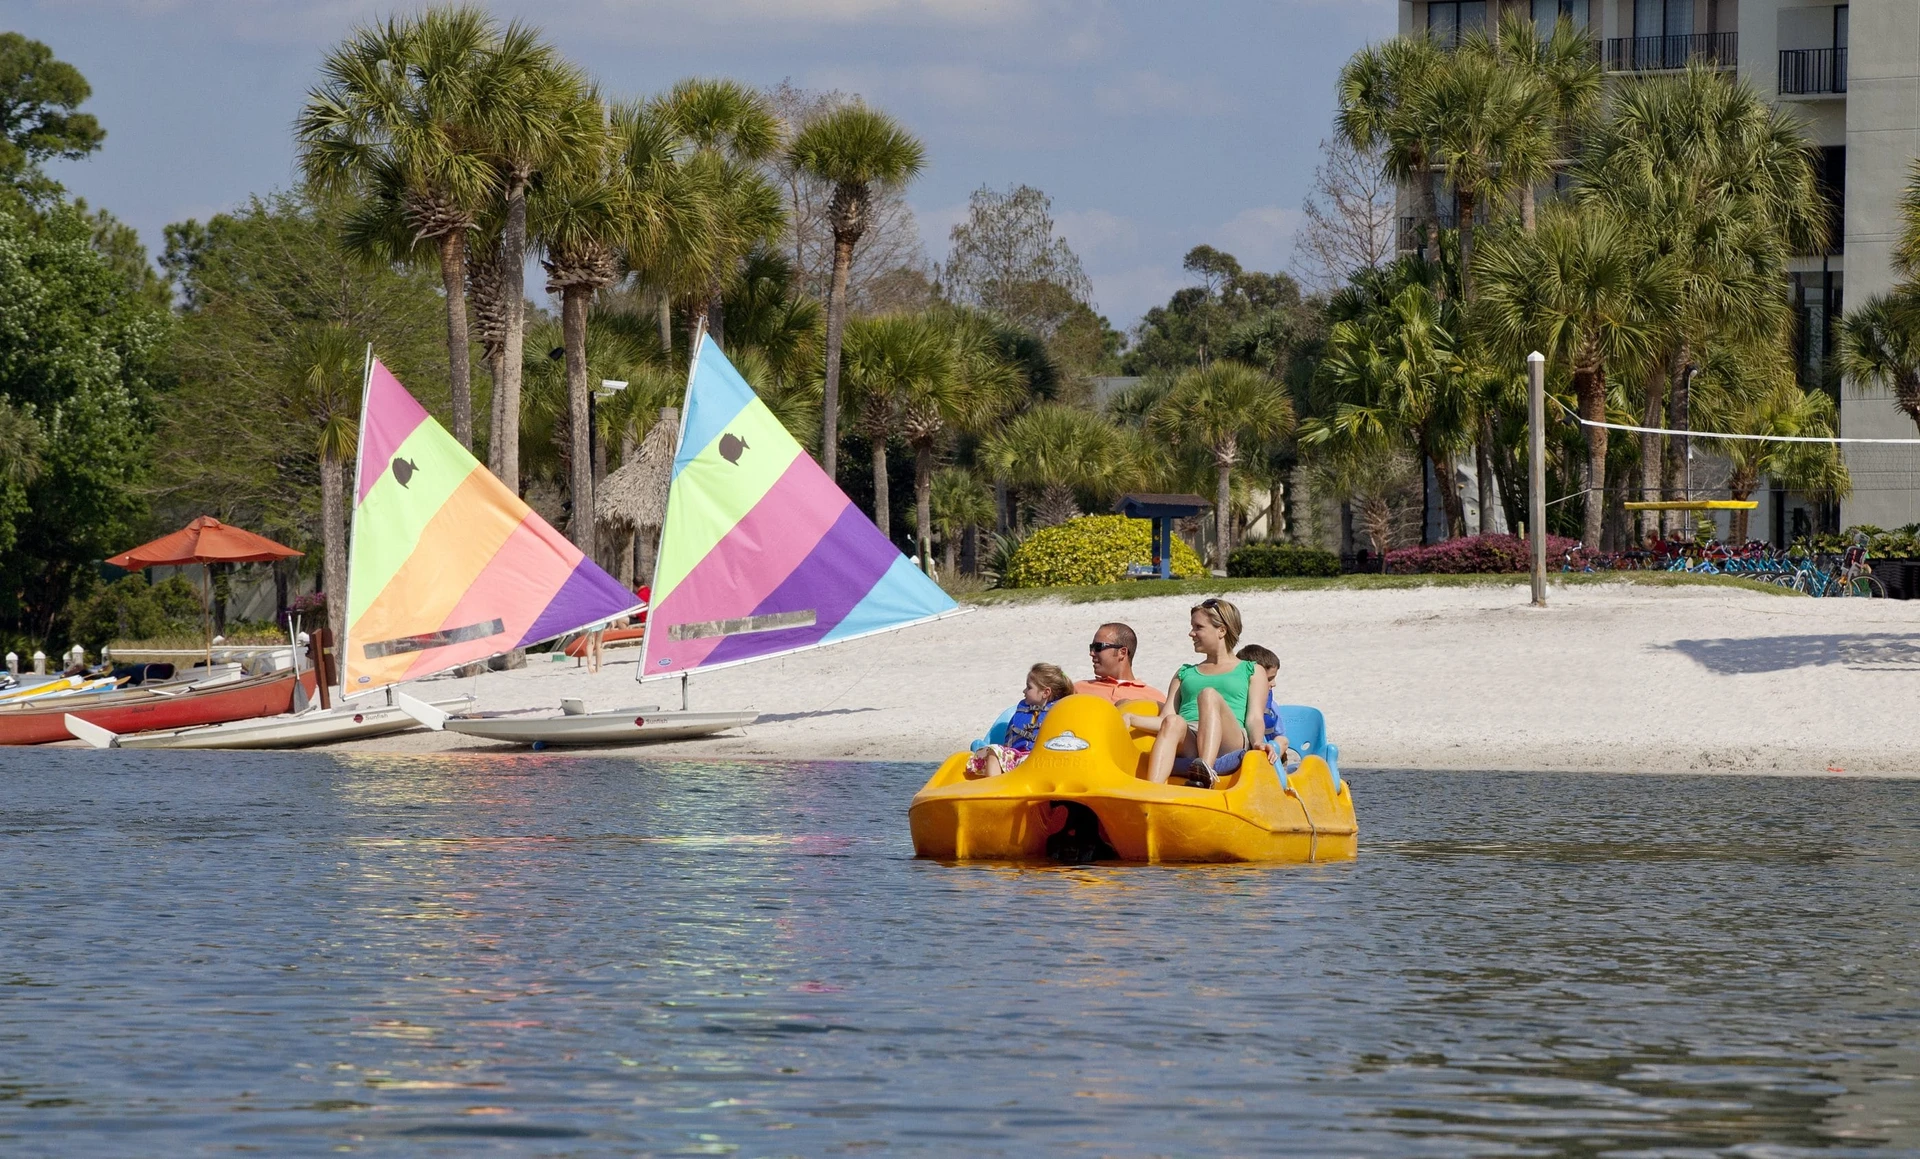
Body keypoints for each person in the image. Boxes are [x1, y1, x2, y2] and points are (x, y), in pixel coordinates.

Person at [1145, 598, 1270, 788]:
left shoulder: (1251, 670)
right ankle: (1151, 791)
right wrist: (1129, 718)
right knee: (1173, 722)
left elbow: (1254, 717)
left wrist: (1258, 741)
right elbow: (1165, 718)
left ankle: (1205, 773)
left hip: (1231, 739)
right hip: (1192, 737)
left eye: (1198, 627)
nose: (1191, 633)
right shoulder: (1184, 672)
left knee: (1208, 695)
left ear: (1222, 630)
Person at [969, 663, 1076, 778]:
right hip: (1017, 758)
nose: (1024, 691)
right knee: (994, 752)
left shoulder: (1059, 712)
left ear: (1045, 692)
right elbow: (1009, 737)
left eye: (1029, 687)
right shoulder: (1021, 708)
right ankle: (993, 787)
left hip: (1042, 760)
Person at [1074, 622, 1166, 706]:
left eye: (1098, 647)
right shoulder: (1077, 689)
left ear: (1122, 652)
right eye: (1091, 647)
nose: (1092, 653)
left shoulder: (1155, 698)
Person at [1235, 643, 1289, 763]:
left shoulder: (1272, 706)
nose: (1274, 683)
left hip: (1270, 751)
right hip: (1246, 751)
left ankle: (1269, 761)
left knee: (1282, 740)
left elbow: (1279, 732)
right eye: (1269, 679)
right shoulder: (1237, 704)